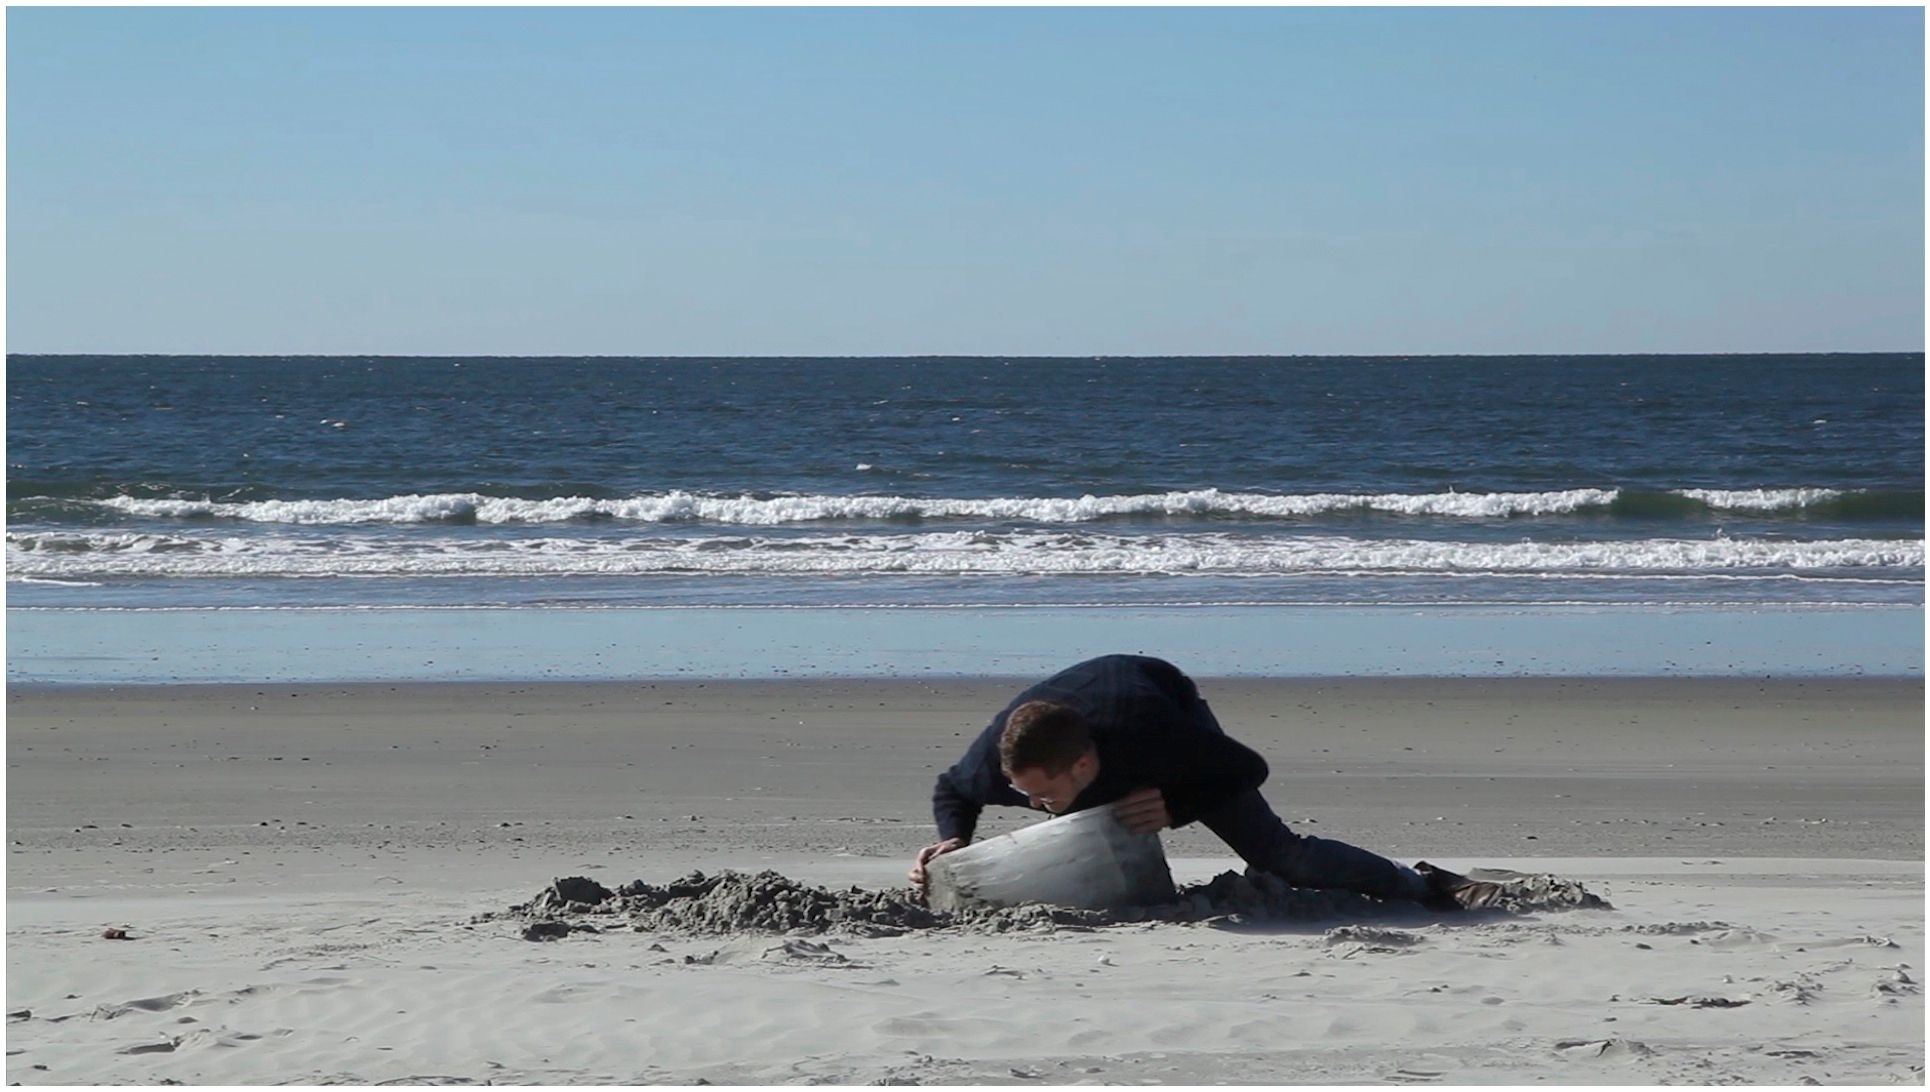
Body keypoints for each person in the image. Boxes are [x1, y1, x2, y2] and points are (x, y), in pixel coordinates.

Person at [908, 654, 1501, 911]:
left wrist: (1173, 805)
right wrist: (952, 841)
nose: (1031, 805)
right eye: (1023, 792)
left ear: (1084, 767)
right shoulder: (1003, 757)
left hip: (1170, 709)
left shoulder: (1157, 733)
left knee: (1281, 857)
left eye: (1041, 794)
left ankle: (1423, 884)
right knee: (1074, 833)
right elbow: (951, 789)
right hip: (1084, 733)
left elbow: (1247, 768)